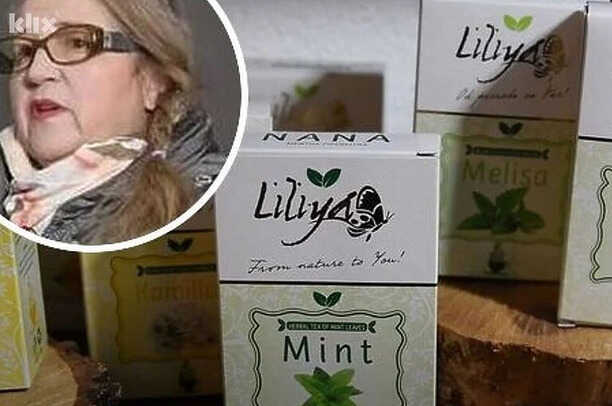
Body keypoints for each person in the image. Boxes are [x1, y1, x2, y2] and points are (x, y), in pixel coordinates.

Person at [0, 0, 226, 244]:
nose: (35, 72)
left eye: (78, 43)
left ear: (153, 80)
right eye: (24, 51)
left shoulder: (222, 207)